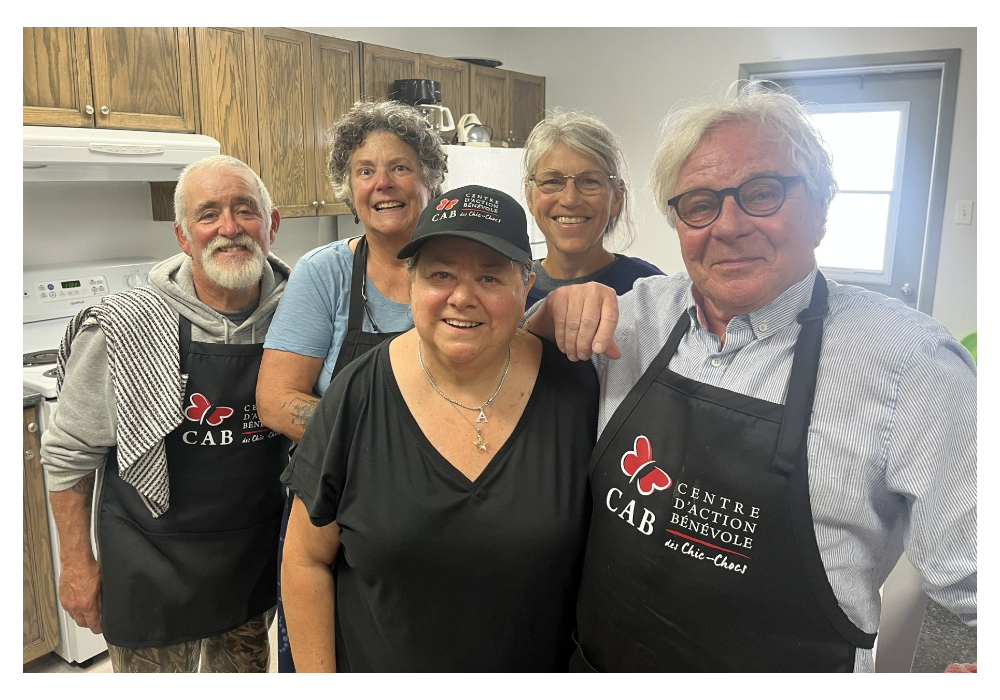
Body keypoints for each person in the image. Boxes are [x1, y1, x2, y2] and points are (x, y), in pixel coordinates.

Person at [526, 82, 977, 673]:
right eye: (700, 204)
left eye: (763, 193)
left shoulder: (914, 367)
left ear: (821, 207)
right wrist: (545, 316)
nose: (729, 226)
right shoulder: (635, 318)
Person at [280, 185, 599, 672]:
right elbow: (306, 559)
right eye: (440, 274)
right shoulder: (357, 395)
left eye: (490, 277)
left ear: (527, 285)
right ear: (411, 282)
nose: (462, 297)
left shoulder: (575, 391)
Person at [41, 155, 292, 673]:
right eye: (208, 214)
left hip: (250, 555)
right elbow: (69, 456)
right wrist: (77, 564)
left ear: (271, 224)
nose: (229, 228)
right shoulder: (125, 325)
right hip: (147, 559)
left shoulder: (301, 319)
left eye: (245, 210)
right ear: (183, 235)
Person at [256, 100, 447, 672]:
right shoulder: (326, 272)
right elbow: (276, 401)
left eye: (400, 167)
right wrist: (385, 445)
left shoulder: (460, 267)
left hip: (439, 505)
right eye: (365, 170)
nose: (382, 183)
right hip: (332, 506)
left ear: (430, 179)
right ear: (349, 187)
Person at [522, 110, 663, 310]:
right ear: (530, 197)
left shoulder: (651, 294)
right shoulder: (510, 291)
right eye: (552, 181)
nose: (570, 200)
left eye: (589, 181)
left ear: (616, 198)